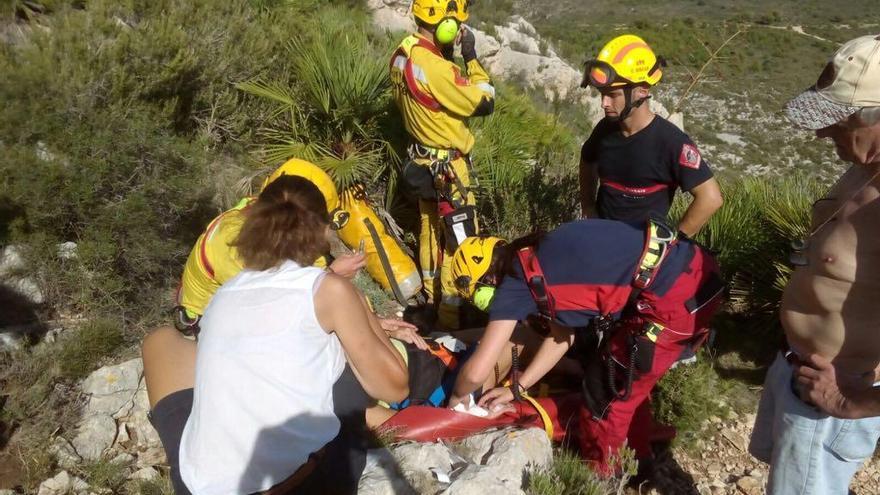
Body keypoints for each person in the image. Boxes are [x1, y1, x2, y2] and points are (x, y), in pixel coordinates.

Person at [143, 175, 409, 494]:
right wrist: (361, 306)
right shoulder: (326, 289)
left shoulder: (226, 293)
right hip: (298, 485)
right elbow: (394, 386)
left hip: (196, 485)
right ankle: (374, 421)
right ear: (323, 230)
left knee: (160, 340)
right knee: (341, 360)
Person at [445, 221, 724, 475]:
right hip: (695, 270)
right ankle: (639, 461)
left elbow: (475, 373)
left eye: (479, 297)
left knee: (603, 399)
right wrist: (517, 388)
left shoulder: (514, 284)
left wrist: (457, 399)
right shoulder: (537, 255)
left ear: (487, 279)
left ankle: (605, 477)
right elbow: (562, 338)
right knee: (625, 385)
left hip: (672, 300)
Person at [748, 34, 880, 495]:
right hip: (798, 372)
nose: (822, 133)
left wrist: (851, 401)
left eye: (837, 121)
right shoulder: (866, 166)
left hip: (833, 394)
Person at [391, 0, 495, 330]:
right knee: (460, 243)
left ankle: (432, 297)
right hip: (450, 171)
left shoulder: (402, 54)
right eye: (455, 24)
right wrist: (471, 57)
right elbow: (484, 100)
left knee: (429, 232)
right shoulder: (438, 69)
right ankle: (452, 315)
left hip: (422, 162)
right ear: (445, 24)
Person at [174, 159, 365, 333]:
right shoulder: (232, 242)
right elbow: (272, 299)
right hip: (207, 322)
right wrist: (331, 273)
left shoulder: (263, 220)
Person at [579, 34, 722, 238]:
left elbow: (710, 198)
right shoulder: (605, 129)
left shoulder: (671, 142)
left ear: (641, 91)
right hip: (601, 239)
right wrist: (588, 206)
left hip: (641, 254)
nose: (604, 103)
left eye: (612, 95)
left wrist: (672, 244)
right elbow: (587, 159)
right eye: (602, 94)